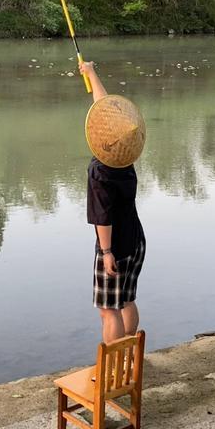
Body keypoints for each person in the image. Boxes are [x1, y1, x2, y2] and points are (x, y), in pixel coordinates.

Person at [79, 60, 146, 344]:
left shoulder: (100, 173)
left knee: (108, 310)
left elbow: (101, 218)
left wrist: (106, 252)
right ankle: (129, 355)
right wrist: (91, 73)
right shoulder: (124, 160)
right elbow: (106, 111)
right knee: (127, 300)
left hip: (115, 247)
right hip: (136, 241)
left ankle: (113, 366)